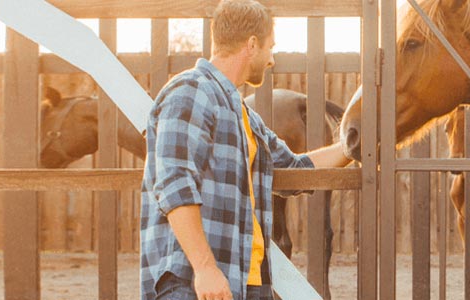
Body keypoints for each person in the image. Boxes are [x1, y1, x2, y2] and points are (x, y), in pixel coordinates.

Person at [141, 1, 350, 299]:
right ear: (252, 44)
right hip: (196, 284)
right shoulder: (191, 91)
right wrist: (205, 268)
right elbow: (175, 184)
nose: (272, 60)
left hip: (243, 280)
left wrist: (352, 147)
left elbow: (295, 169)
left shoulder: (246, 117)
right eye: (270, 48)